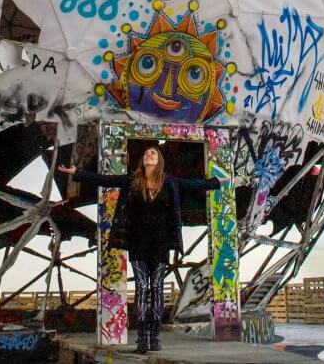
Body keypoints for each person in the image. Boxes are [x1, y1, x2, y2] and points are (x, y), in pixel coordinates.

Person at [58, 147, 221, 353]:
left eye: (153, 153)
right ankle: (143, 338)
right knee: (143, 288)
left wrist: (216, 182)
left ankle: (155, 336)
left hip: (161, 243)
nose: (148, 155)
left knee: (157, 288)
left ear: (159, 160)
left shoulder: (169, 182)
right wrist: (77, 173)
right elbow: (105, 180)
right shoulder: (131, 181)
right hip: (137, 242)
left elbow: (192, 184)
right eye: (145, 154)